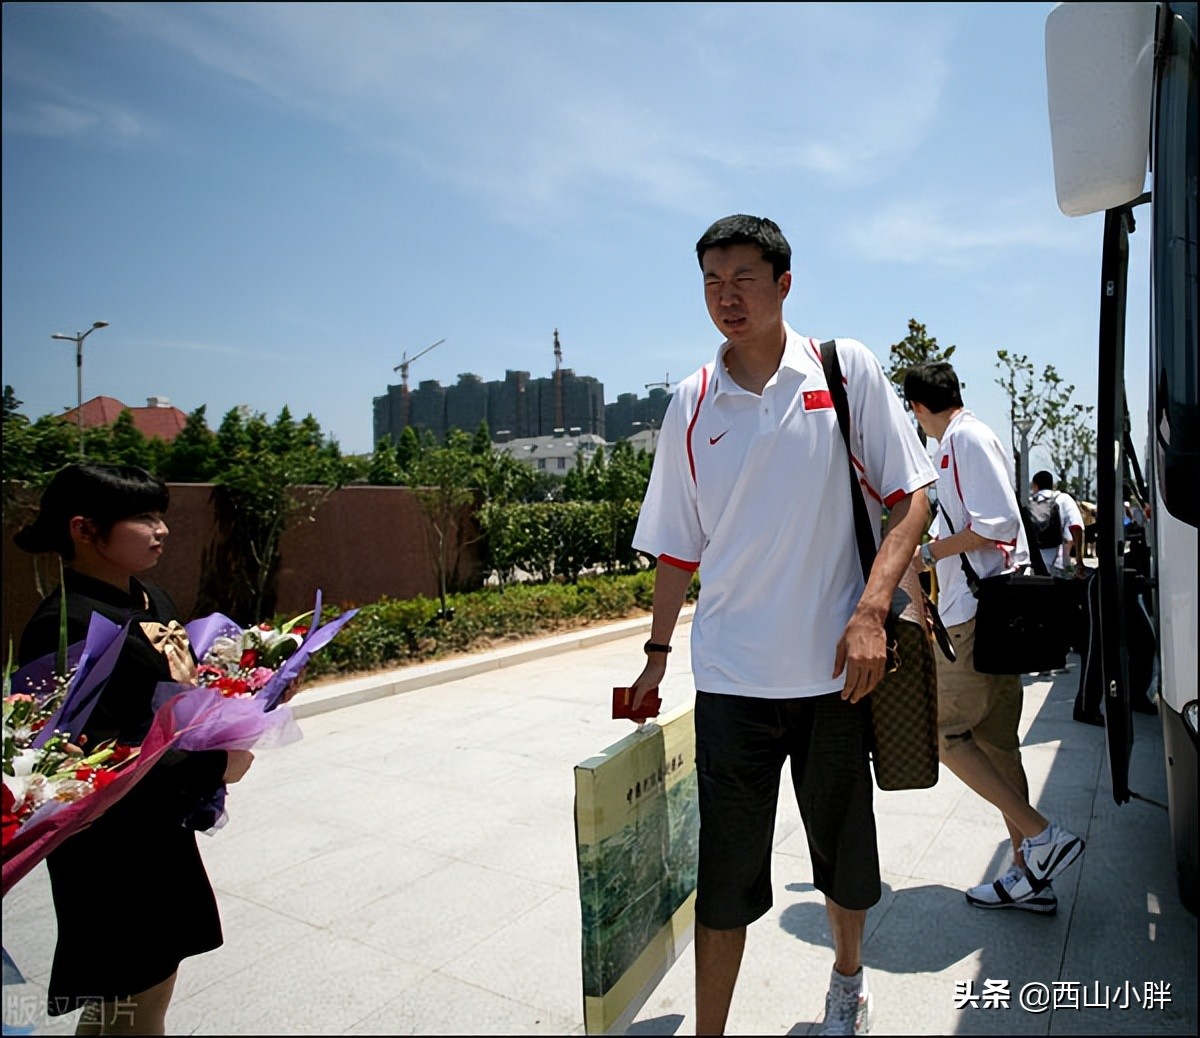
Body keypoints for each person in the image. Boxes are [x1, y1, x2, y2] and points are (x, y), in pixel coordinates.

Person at [626, 215, 936, 1036]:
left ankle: (847, 983)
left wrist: (872, 609)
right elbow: (674, 549)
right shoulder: (691, 403)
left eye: (743, 280)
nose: (726, 298)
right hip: (730, 682)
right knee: (723, 875)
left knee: (843, 859)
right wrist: (657, 656)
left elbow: (913, 498)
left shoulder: (842, 369)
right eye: (711, 283)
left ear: (784, 284)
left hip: (837, 676)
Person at [14, 463, 255, 1036]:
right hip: (108, 841)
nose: (160, 530)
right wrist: (216, 763)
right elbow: (86, 750)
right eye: (143, 518)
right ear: (84, 528)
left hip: (158, 825)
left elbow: (168, 704)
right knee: (135, 991)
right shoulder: (63, 623)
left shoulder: (149, 595)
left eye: (161, 516)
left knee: (140, 991)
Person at [902, 364, 1085, 916]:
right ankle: (1030, 876)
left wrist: (929, 552)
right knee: (998, 746)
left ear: (917, 407)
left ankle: (1042, 836)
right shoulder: (968, 437)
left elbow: (998, 524)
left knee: (942, 732)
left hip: (978, 615)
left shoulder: (961, 439)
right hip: (993, 613)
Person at [1028, 470, 1086, 578]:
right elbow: (1076, 527)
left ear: (1035, 486)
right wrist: (1079, 561)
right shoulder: (1063, 499)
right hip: (1058, 564)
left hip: (1033, 566)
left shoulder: (1029, 503)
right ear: (1052, 485)